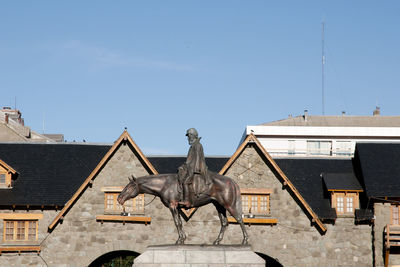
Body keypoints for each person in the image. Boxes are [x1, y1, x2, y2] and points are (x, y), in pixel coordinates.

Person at [178, 128, 211, 208]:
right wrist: (183, 166)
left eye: (188, 135)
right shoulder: (194, 145)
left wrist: (191, 170)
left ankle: (186, 201)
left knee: (186, 181)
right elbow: (189, 160)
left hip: (195, 169)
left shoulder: (197, 145)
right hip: (191, 167)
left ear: (192, 135)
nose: (188, 138)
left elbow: (196, 160)